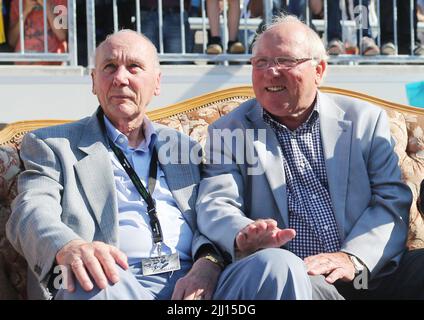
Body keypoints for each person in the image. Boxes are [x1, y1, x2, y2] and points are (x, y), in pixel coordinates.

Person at [6, 29, 311, 300]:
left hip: (196, 285)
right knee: (90, 283)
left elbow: (209, 217)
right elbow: (30, 211)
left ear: (156, 83)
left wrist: (209, 262)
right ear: (94, 82)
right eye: (109, 67)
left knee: (278, 266)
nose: (120, 77)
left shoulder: (186, 148)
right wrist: (68, 246)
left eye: (134, 67)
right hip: (116, 281)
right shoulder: (54, 145)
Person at [196, 13, 424, 299]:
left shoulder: (364, 120)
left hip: (369, 272)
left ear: (319, 70)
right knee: (289, 275)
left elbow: (391, 199)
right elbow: (216, 202)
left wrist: (351, 258)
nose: (271, 71)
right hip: (302, 277)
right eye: (261, 62)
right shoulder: (229, 131)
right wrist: (244, 234)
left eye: (285, 61)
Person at [8, 0, 67, 64]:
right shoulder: (17, 3)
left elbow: (62, 35)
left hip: (51, 62)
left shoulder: (60, 2)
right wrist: (25, 11)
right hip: (23, 63)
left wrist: (46, 5)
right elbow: (12, 41)